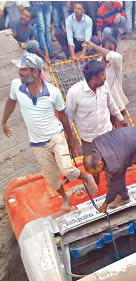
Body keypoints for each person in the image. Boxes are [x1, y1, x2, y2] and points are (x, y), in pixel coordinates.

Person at [1, 52, 97, 210]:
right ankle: (64, 198)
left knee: (66, 168)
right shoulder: (16, 86)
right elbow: (11, 102)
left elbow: (63, 116)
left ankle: (85, 177)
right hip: (37, 143)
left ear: (35, 72)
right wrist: (4, 122)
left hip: (56, 136)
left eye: (24, 69)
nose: (20, 72)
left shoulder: (53, 92)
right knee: (51, 178)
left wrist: (71, 140)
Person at [83, 127, 136, 245]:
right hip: (134, 139)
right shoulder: (97, 143)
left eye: (95, 173)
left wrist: (105, 203)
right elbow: (115, 172)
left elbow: (114, 185)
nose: (96, 175)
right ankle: (123, 198)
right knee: (115, 173)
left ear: (100, 164)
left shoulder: (115, 163)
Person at [66, 58, 127, 159]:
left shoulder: (104, 86)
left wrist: (121, 119)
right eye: (103, 75)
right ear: (94, 78)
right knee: (93, 167)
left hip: (107, 133)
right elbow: (69, 116)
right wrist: (70, 139)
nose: (105, 78)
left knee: (111, 164)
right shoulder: (74, 92)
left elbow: (111, 104)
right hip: (89, 140)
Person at [86, 35, 129, 124]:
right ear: (102, 48)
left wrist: (93, 46)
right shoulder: (97, 63)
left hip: (117, 102)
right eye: (108, 49)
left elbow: (113, 56)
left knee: (119, 129)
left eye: (112, 50)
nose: (110, 52)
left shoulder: (116, 62)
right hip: (103, 103)